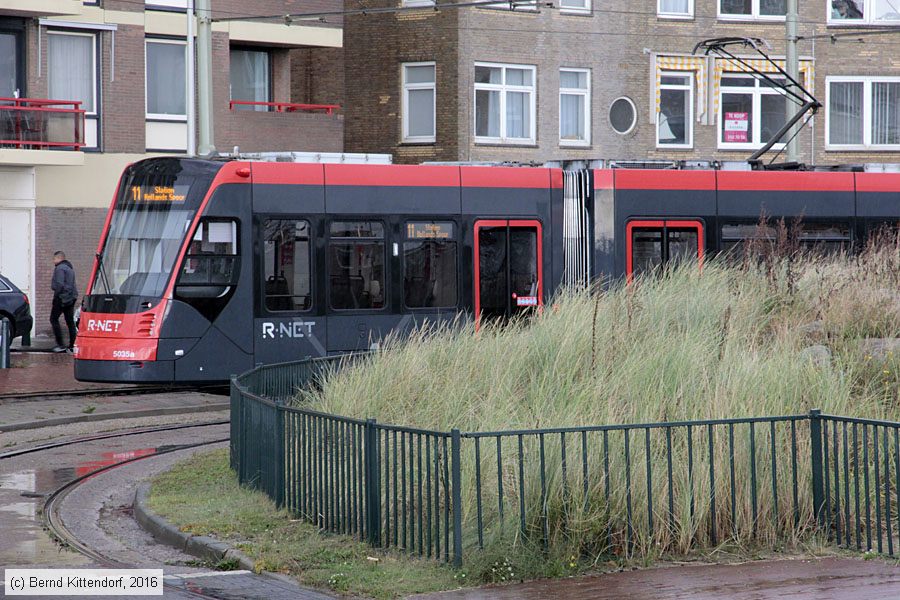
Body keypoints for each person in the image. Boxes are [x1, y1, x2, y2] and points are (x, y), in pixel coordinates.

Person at [50, 251, 78, 353]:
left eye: (54, 259)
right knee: (70, 321)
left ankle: (60, 344)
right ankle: (73, 344)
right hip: (71, 298)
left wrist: (56, 297)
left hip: (62, 298)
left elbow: (59, 284)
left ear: (59, 258)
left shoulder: (60, 268)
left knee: (53, 319)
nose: (53, 261)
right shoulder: (69, 268)